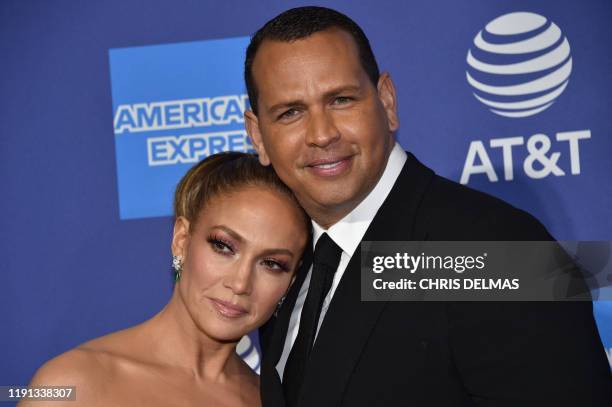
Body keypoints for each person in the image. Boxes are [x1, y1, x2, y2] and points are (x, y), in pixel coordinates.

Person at [243, 6, 612, 407]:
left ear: (386, 101)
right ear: (258, 135)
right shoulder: (284, 264)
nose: (322, 134)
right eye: (290, 113)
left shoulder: (494, 249)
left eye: (341, 100)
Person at [22, 152, 309, 407]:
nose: (240, 283)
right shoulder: (72, 385)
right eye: (224, 246)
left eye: (272, 264)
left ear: (291, 281)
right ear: (182, 240)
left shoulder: (268, 400)